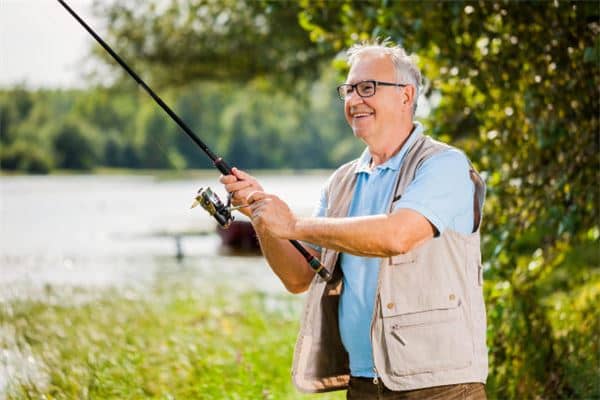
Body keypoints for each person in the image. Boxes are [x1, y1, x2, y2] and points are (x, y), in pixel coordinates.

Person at [220, 39, 488, 399]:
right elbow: (299, 276)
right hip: (363, 383)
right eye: (348, 89)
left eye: (367, 88)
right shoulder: (342, 180)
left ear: (406, 96)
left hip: (440, 385)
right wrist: (261, 216)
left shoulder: (444, 165)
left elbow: (397, 235)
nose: (354, 100)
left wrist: (294, 225)